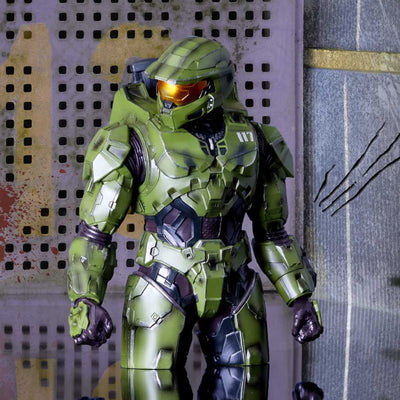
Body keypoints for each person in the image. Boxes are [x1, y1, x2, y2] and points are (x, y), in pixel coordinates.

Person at [67, 37, 322, 370]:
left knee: (249, 378)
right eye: (164, 89)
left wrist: (300, 297)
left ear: (212, 90)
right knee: (151, 383)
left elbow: (272, 232)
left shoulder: (255, 140)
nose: (168, 100)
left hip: (236, 286)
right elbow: (94, 233)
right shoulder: (132, 142)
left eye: (181, 92)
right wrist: (85, 299)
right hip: (162, 283)